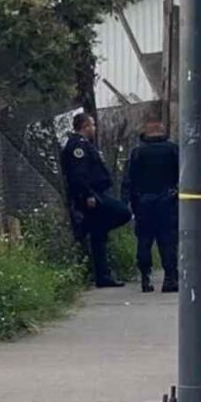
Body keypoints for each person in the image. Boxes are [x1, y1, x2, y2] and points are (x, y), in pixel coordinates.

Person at [61, 113, 132, 288]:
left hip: (97, 193)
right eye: (92, 125)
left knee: (99, 237)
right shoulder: (78, 145)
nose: (94, 128)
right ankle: (85, 228)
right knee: (123, 212)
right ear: (85, 126)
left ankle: (103, 276)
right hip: (91, 196)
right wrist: (89, 194)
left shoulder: (86, 144)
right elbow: (78, 175)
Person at [122, 119, 179, 293]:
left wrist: (128, 203)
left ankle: (145, 278)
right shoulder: (172, 150)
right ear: (162, 131)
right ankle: (170, 278)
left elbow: (128, 180)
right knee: (167, 240)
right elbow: (182, 174)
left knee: (144, 240)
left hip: (143, 203)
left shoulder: (138, 152)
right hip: (167, 201)